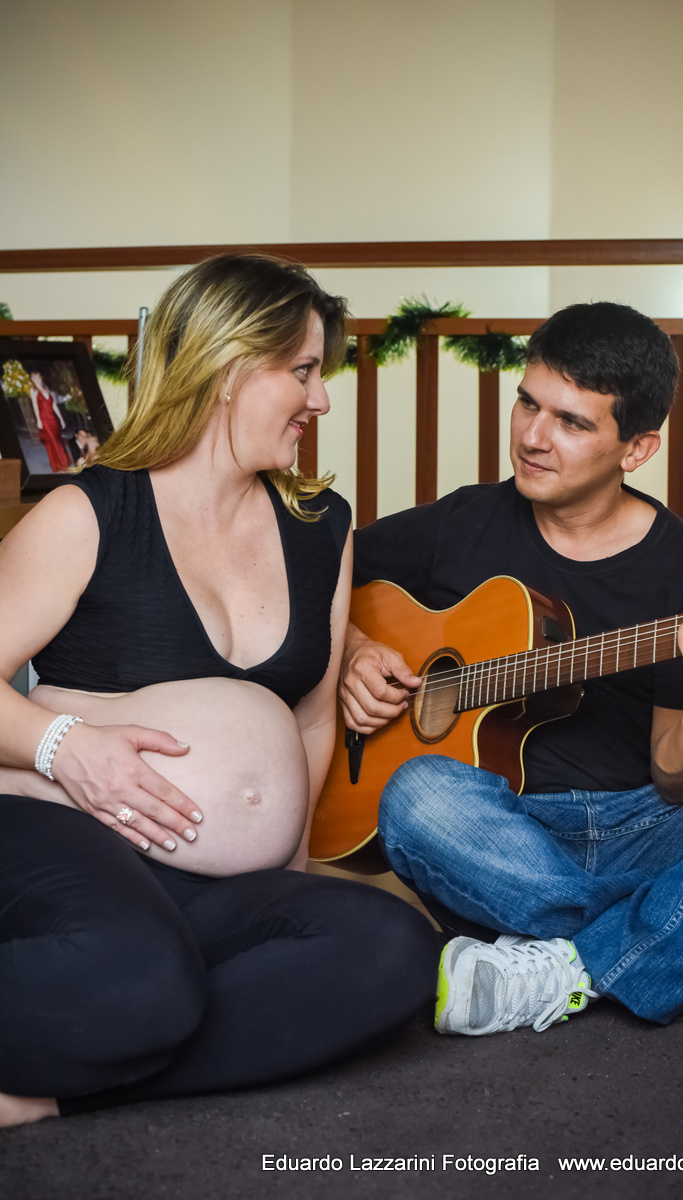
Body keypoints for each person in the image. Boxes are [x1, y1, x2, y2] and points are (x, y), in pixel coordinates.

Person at [0, 254, 438, 1127]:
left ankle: (45, 1088)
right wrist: (66, 747)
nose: (320, 399)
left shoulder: (321, 528)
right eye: (303, 371)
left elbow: (310, 715)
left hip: (205, 878)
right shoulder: (91, 514)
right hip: (60, 828)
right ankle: (124, 1009)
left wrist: (290, 865)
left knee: (389, 946)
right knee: (141, 973)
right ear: (230, 367)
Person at [340, 301, 683, 1037]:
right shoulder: (462, 523)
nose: (532, 436)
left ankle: (568, 964)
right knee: (416, 796)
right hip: (502, 830)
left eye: (572, 422)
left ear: (636, 449)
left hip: (643, 824)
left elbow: (677, 779)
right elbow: (314, 568)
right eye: (528, 403)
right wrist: (356, 653)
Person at [28, 370, 73, 472]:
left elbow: (53, 405)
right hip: (44, 420)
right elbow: (35, 407)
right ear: (32, 379)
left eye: (37, 377)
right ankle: (63, 465)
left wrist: (61, 419)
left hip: (53, 419)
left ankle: (57, 465)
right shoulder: (33, 391)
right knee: (53, 441)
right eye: (33, 377)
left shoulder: (46, 390)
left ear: (41, 378)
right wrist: (38, 420)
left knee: (56, 440)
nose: (35, 379)